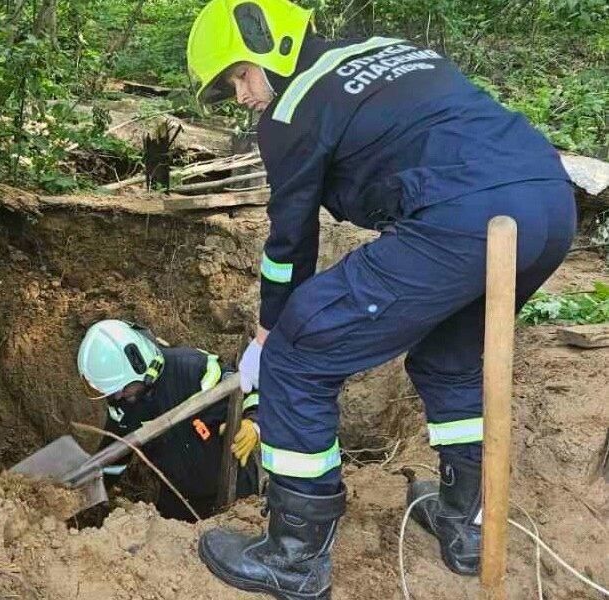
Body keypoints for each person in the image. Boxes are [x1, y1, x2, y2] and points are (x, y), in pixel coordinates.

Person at [185, 1, 575, 598]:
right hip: (549, 204)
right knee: (447, 357)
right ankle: (464, 523)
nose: (240, 96)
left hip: (462, 218)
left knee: (301, 349)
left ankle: (293, 558)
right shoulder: (391, 53)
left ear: (272, 47)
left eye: (239, 76)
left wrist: (268, 336)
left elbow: (290, 241)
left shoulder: (291, 110)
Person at [77, 319, 261, 521]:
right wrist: (84, 494)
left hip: (236, 494)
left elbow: (249, 390)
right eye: (113, 392)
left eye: (122, 387)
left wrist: (253, 422)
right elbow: (116, 454)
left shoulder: (195, 370)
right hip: (177, 507)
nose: (118, 396)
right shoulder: (122, 406)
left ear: (140, 365)